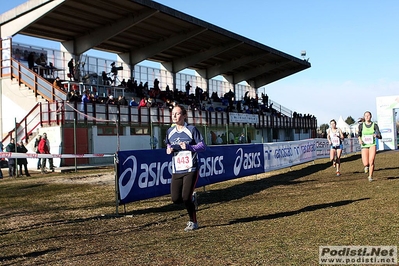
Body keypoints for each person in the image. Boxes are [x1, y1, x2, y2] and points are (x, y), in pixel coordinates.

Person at [165, 104, 206, 231]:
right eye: (173, 114)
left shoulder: (191, 130)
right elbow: (167, 143)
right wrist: (168, 149)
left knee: (185, 198)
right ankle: (192, 198)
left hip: (191, 169)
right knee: (176, 199)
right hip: (177, 169)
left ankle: (193, 222)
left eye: (177, 114)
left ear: (184, 116)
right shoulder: (170, 131)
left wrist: (189, 147)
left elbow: (202, 146)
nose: (174, 116)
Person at [358, 111, 382, 182]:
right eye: (366, 116)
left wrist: (376, 135)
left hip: (372, 144)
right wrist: (360, 140)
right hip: (364, 145)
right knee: (366, 163)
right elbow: (358, 134)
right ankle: (366, 167)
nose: (367, 117)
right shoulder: (361, 125)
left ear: (371, 116)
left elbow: (380, 136)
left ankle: (370, 176)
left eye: (368, 115)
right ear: (364, 117)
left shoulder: (374, 125)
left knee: (371, 161)